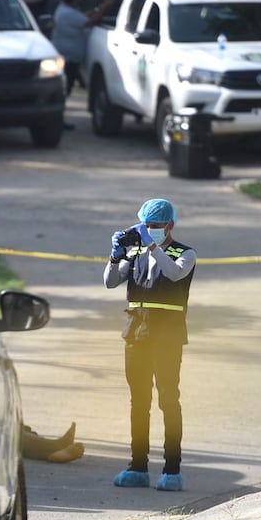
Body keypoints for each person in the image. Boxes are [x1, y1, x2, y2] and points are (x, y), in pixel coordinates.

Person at [104, 197, 197, 491]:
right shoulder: (137, 253)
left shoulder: (185, 253)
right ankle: (138, 466)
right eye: (145, 226)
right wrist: (116, 256)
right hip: (136, 334)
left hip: (167, 336)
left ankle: (172, 469)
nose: (149, 230)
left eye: (155, 226)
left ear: (169, 226)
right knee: (138, 401)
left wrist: (152, 247)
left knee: (168, 399)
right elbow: (110, 282)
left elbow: (173, 273)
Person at [52, 0, 116, 100]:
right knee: (64, 89)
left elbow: (83, 16)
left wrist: (98, 8)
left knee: (67, 87)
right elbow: (91, 22)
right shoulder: (67, 13)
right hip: (68, 59)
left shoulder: (66, 9)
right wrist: (105, 8)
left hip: (70, 58)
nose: (81, 0)